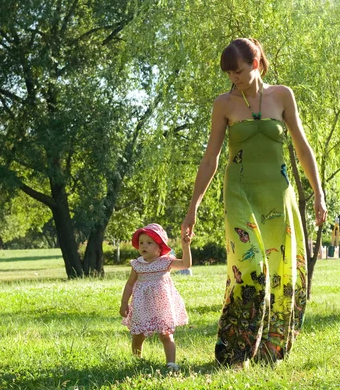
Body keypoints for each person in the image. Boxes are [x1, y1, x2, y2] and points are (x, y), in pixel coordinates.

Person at [181, 38, 327, 367]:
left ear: (257, 63)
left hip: (279, 195)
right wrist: (193, 207)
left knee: (281, 270)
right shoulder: (224, 104)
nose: (234, 78)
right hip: (239, 194)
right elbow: (210, 159)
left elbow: (303, 148)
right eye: (229, 73)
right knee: (249, 268)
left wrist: (317, 192)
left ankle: (270, 352)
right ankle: (235, 353)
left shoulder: (282, 96)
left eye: (239, 71)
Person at [120, 223, 192, 371]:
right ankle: (136, 359)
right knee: (138, 335)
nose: (143, 246)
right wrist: (124, 303)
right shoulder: (137, 265)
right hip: (142, 305)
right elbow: (129, 285)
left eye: (149, 242)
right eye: (141, 243)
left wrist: (186, 247)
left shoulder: (166, 262)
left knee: (166, 334)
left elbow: (186, 264)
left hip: (162, 305)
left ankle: (171, 363)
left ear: (160, 247)